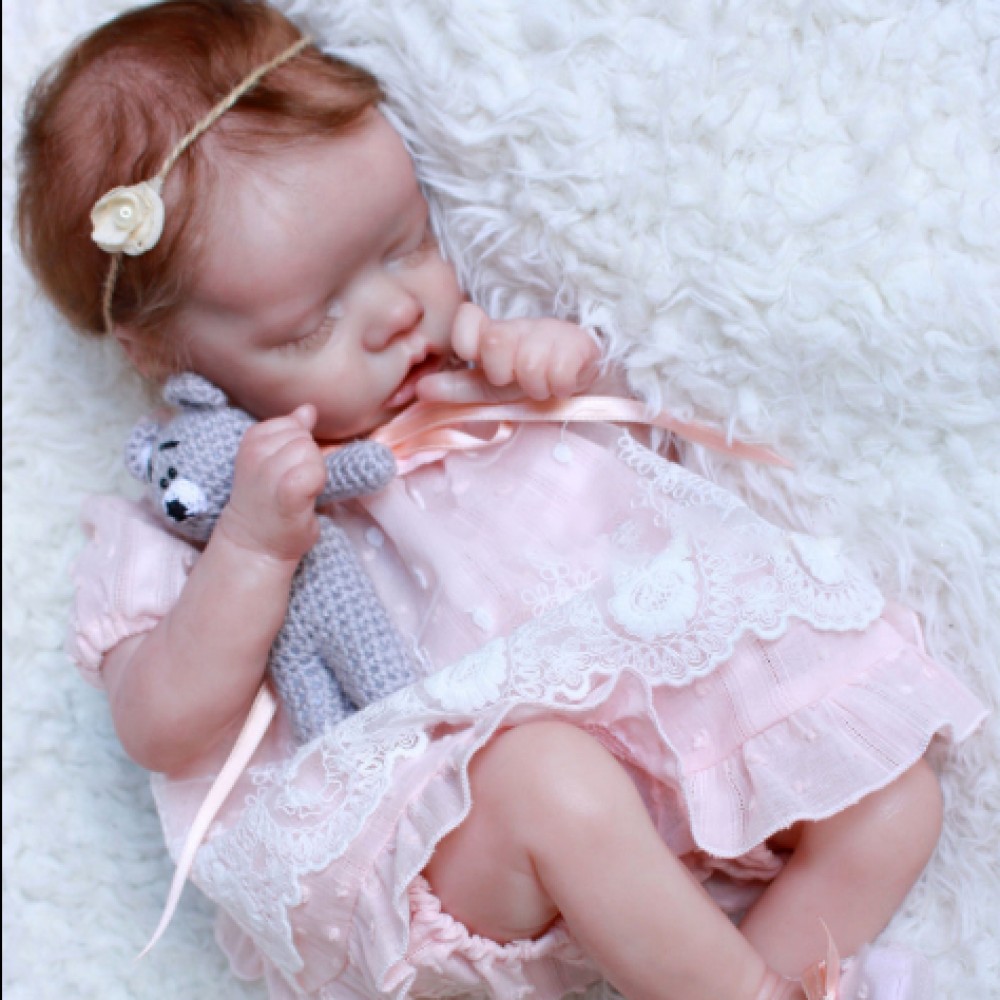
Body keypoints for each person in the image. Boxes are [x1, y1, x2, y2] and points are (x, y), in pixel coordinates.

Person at [15, 2, 986, 998]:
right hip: (455, 843)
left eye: (405, 245)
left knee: (892, 798)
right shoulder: (189, 520)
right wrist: (255, 549)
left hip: (665, 755)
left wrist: (555, 371)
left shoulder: (477, 375)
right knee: (549, 779)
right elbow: (161, 727)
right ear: (159, 351)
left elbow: (643, 470)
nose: (397, 312)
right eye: (310, 326)